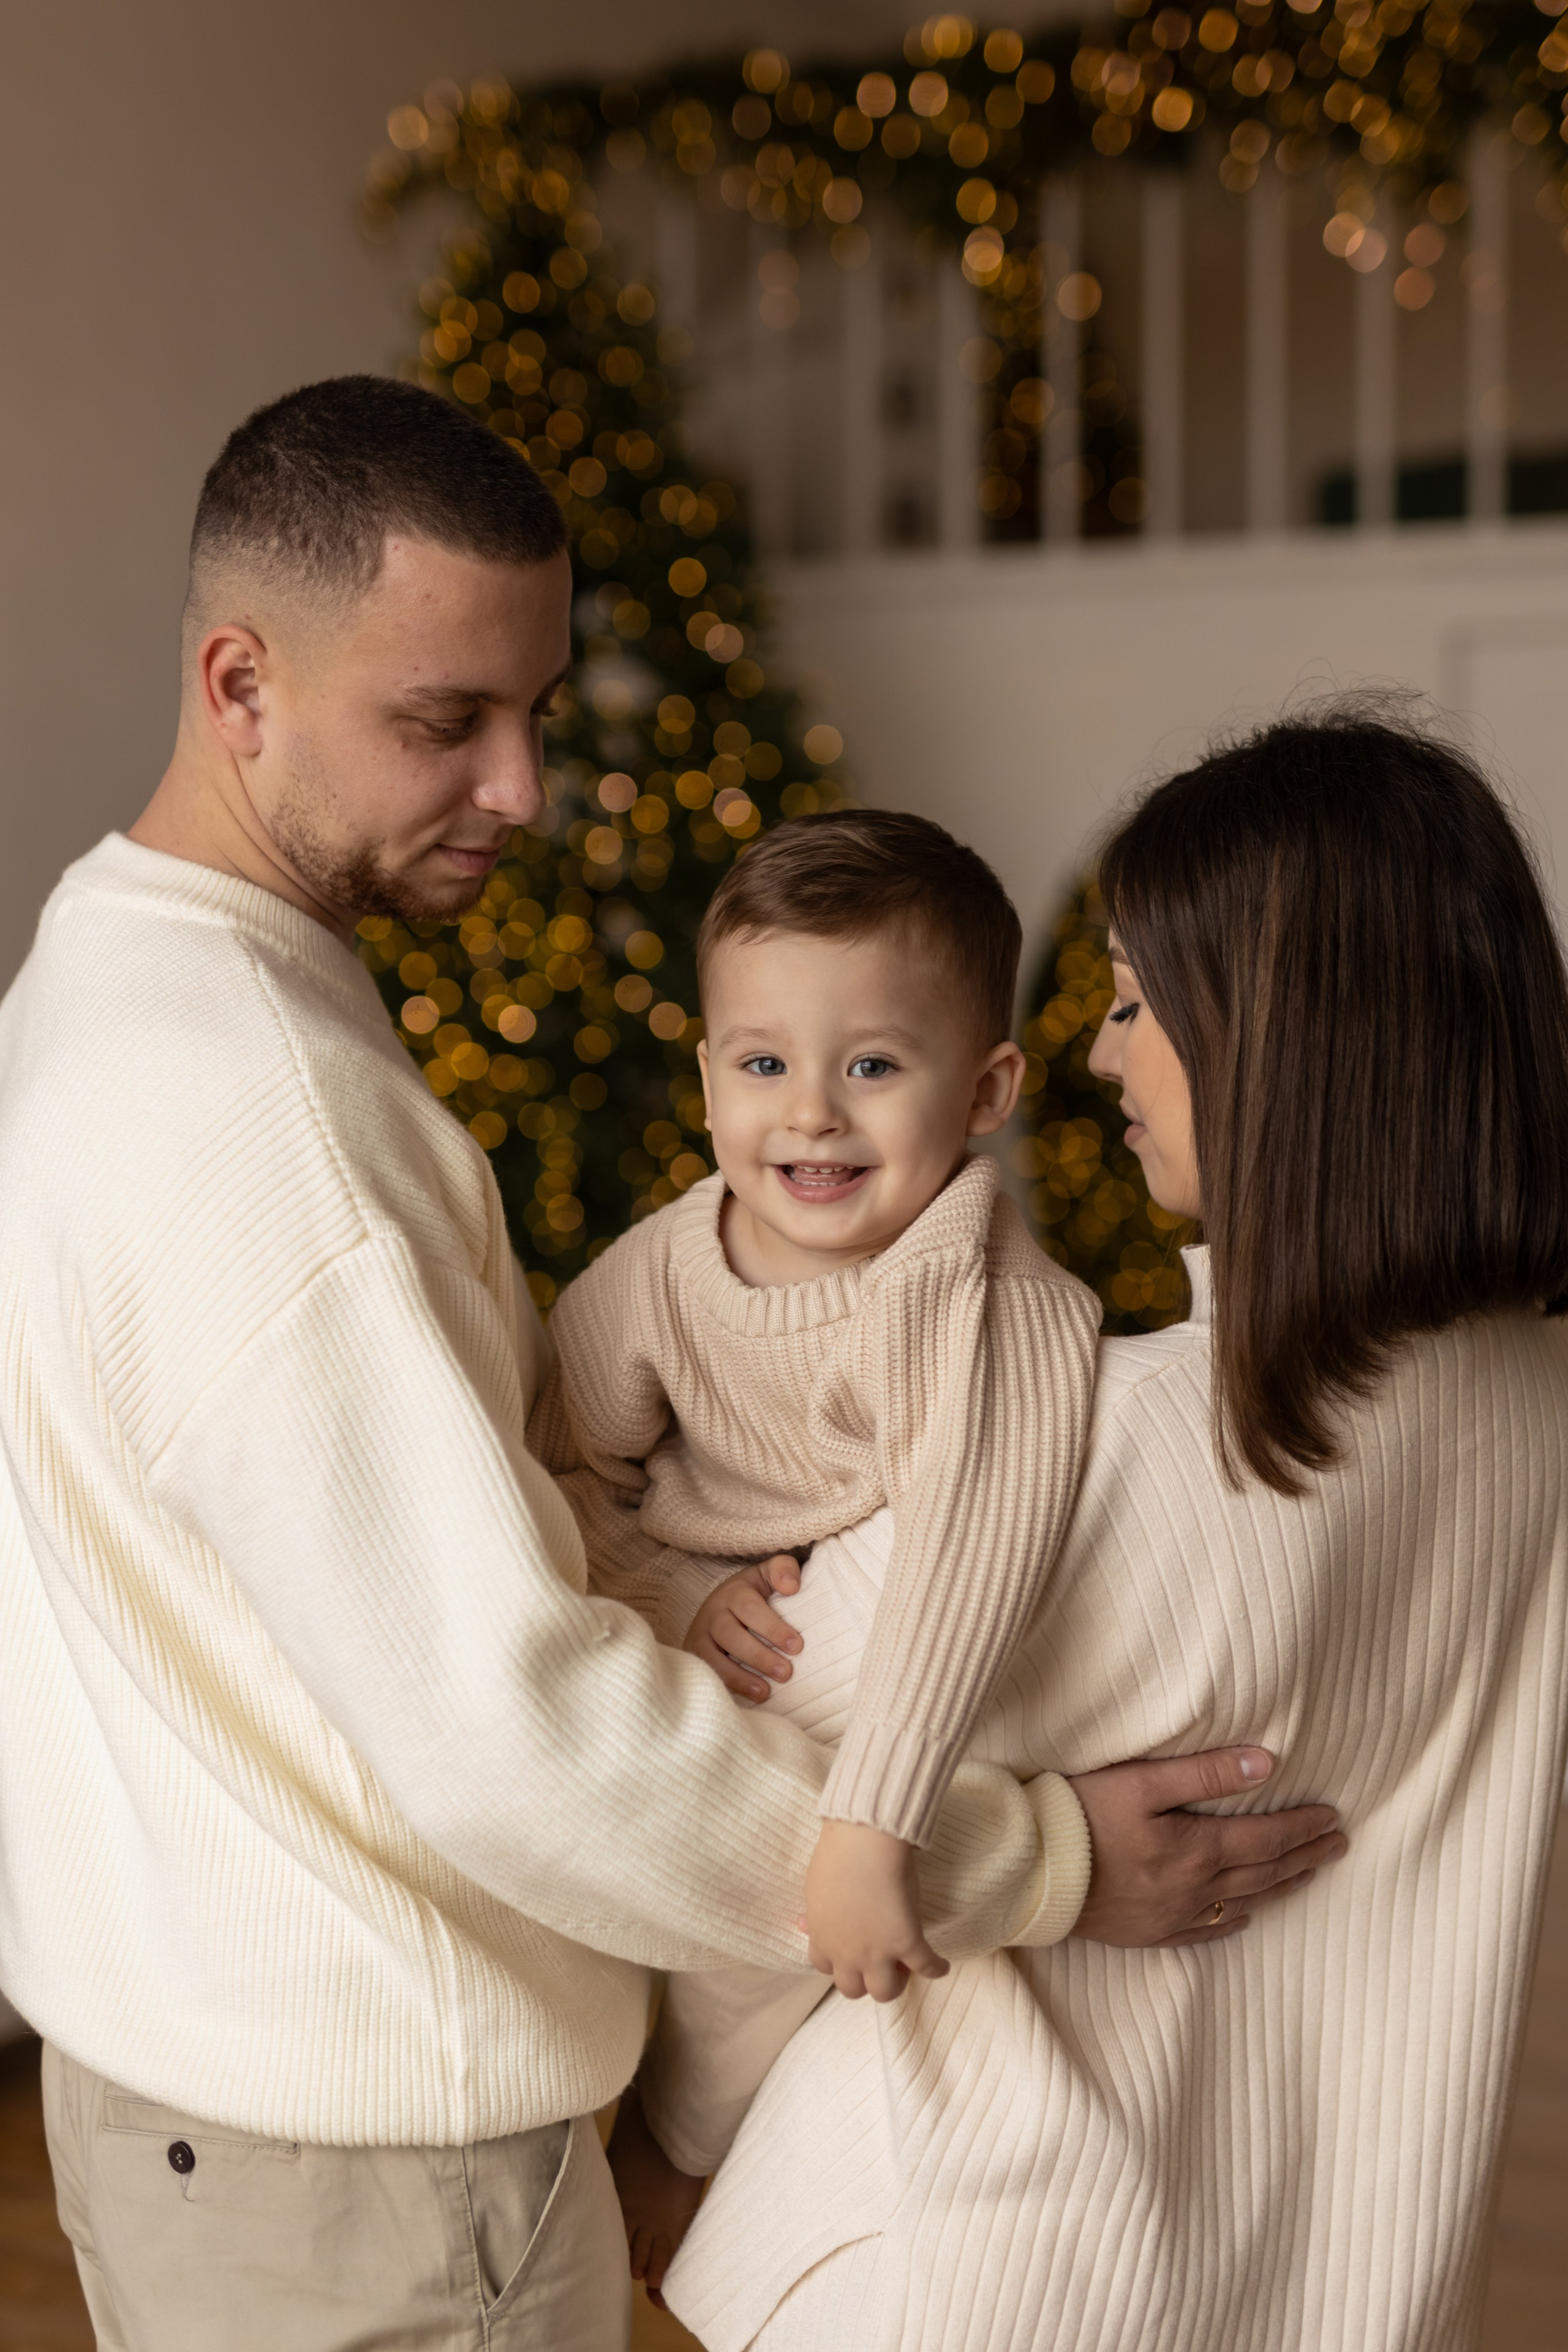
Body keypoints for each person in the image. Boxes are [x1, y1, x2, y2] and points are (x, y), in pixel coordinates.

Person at [0, 376, 1336, 2352]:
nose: (525, 788)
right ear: (239, 683)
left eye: (538, 709)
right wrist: (1033, 1856)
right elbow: (513, 1727)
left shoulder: (91, 976)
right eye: (444, 723)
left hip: (188, 2101)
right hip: (367, 2160)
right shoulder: (268, 1118)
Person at [662, 706, 1568, 2352]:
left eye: (1140, 1003)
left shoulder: (1104, 1443)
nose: (1097, 1057)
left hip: (975, 2271)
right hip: (1349, 2281)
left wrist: (683, 2149)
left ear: (1280, 1039)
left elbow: (718, 1774)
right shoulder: (1544, 1413)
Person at [530, 811, 1101, 2286]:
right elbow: (555, 1469)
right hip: (697, 1622)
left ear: (981, 1091)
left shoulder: (980, 1293)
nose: (812, 1118)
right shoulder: (663, 1268)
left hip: (856, 1680)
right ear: (709, 1076)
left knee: (756, 1908)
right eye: (765, 1063)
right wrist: (668, 1591)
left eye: (873, 1066)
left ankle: (686, 2140)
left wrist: (874, 1828)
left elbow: (969, 1566)